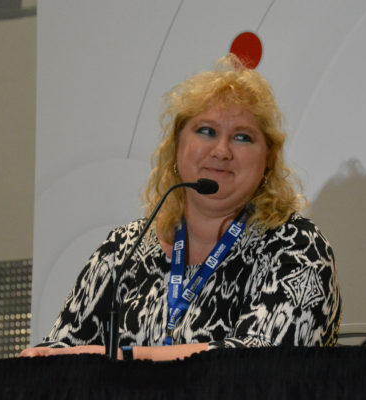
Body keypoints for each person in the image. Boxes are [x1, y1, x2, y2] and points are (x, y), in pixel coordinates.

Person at [20, 54, 342, 361]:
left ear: (268, 160)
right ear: (176, 148)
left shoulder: (297, 247)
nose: (221, 150)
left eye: (242, 137)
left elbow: (256, 364)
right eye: (206, 131)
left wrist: (122, 358)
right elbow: (55, 359)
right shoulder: (123, 251)